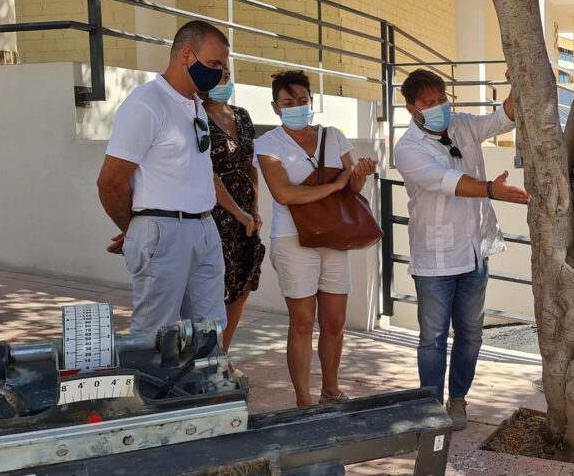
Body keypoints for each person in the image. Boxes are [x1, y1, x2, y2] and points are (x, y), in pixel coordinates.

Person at [393, 69, 530, 431]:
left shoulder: (462, 125)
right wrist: (490, 190)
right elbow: (447, 181)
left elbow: (505, 118)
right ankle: (430, 405)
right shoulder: (408, 148)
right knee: (433, 338)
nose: (440, 106)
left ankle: (457, 399)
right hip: (434, 259)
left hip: (473, 252)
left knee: (471, 334)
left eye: (442, 98)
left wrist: (520, 78)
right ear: (412, 109)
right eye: (430, 102)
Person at [97, 20, 230, 336]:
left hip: (204, 227)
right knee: (154, 334)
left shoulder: (195, 105)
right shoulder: (147, 103)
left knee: (210, 329)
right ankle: (149, 387)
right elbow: (110, 181)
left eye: (223, 66)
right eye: (214, 63)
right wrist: (137, 230)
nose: (220, 72)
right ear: (186, 55)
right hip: (164, 229)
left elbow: (195, 169)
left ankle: (204, 383)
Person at [254, 70, 377, 407]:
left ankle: (331, 390)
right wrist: (335, 186)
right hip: (294, 240)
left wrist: (359, 176)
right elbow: (283, 194)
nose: (297, 107)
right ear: (276, 107)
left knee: (335, 321)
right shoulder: (268, 144)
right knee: (303, 322)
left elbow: (351, 186)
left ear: (312, 102)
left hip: (334, 236)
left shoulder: (334, 136)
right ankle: (303, 401)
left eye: (303, 101)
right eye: (288, 102)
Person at [201, 69, 266, 353]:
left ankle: (222, 356)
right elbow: (205, 173)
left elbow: (250, 166)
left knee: (242, 284)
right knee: (215, 290)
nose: (222, 82)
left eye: (226, 75)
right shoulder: (196, 116)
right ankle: (207, 356)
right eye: (216, 76)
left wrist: (254, 209)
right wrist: (239, 213)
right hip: (214, 215)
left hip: (245, 218)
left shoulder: (242, 115)